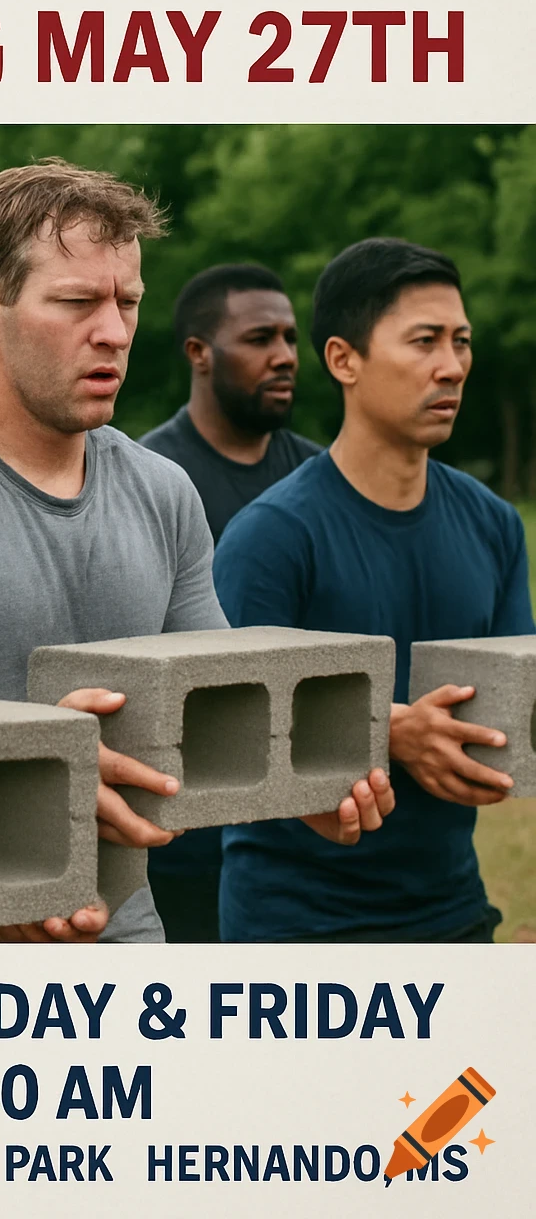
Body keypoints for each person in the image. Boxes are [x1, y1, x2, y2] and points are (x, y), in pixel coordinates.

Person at [0, 160, 392, 943]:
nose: (112, 331)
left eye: (128, 302)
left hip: (128, 931)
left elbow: (217, 703)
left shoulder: (162, 491)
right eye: (77, 302)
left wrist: (300, 778)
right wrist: (27, 770)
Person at [213, 236, 532, 943]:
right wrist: (388, 730)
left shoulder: (495, 525)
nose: (452, 366)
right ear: (343, 359)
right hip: (297, 929)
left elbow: (512, 708)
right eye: (424, 341)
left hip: (453, 910)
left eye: (460, 341)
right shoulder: (271, 537)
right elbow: (226, 729)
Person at [140, 263, 320, 941]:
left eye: (290, 338)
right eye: (259, 338)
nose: (284, 356)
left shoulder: (317, 483)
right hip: (181, 846)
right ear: (199, 352)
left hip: (297, 835)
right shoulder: (150, 486)